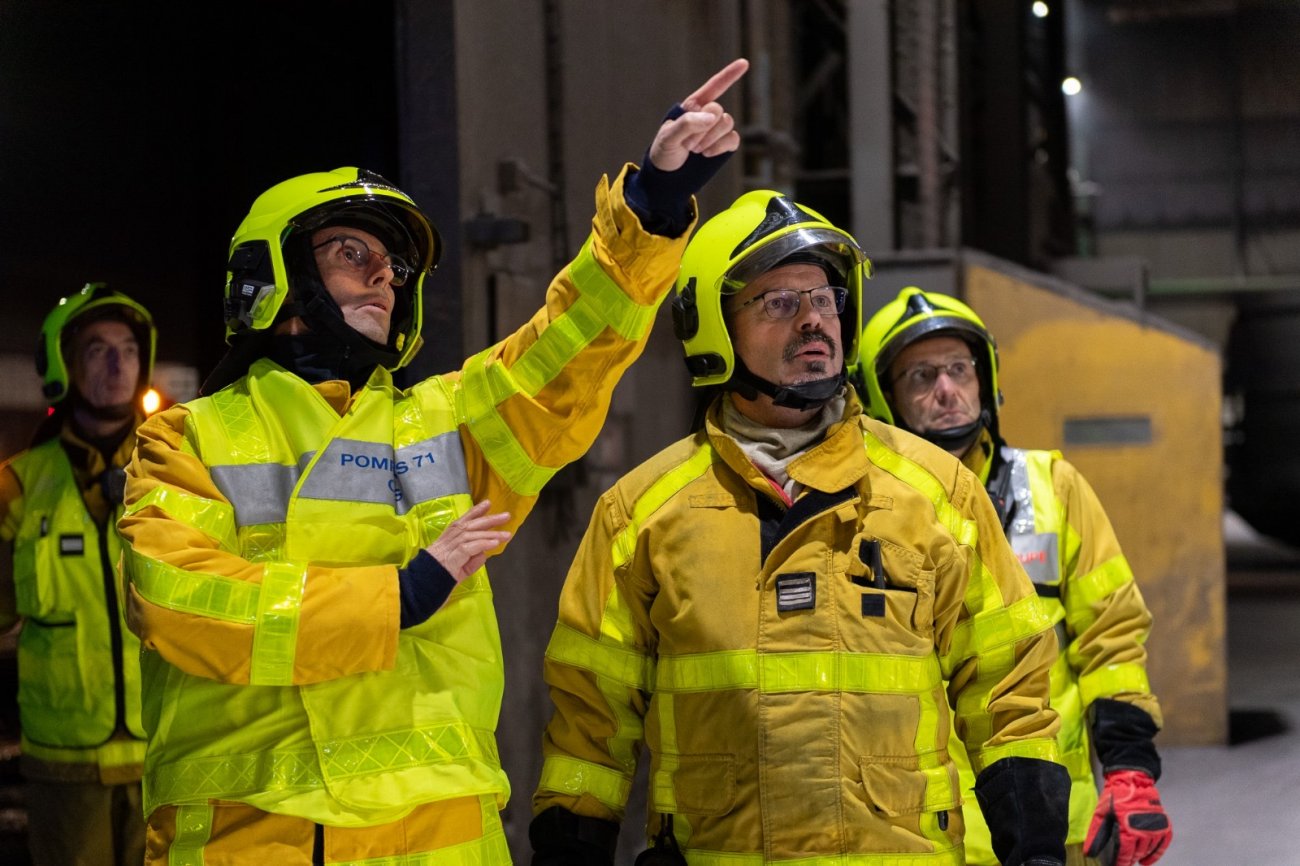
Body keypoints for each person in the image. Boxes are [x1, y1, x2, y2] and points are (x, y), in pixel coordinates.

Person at [115, 59, 749, 866]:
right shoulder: (187, 439)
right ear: (276, 274)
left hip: (443, 838)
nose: (384, 274)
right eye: (352, 251)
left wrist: (652, 205)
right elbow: (176, 601)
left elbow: (569, 349)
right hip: (261, 838)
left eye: (393, 264)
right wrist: (399, 596)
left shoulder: (448, 421)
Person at [529, 193, 1071, 866]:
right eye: (779, 303)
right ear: (713, 327)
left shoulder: (936, 494)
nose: (814, 319)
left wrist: (1037, 852)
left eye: (824, 299)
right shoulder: (642, 514)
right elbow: (590, 726)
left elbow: (1009, 691)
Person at [856, 287, 1172, 866]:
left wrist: (1130, 769)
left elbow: (1112, 638)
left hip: (1054, 826)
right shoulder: (861, 513)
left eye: (959, 369)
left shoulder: (1053, 486)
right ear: (883, 398)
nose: (947, 389)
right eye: (922, 376)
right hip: (925, 838)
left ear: (985, 380)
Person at [0, 283, 153, 866]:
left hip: (165, 753)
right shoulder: (17, 485)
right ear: (63, 363)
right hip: (63, 766)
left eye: (129, 350)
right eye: (97, 350)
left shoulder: (177, 472)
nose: (118, 365)